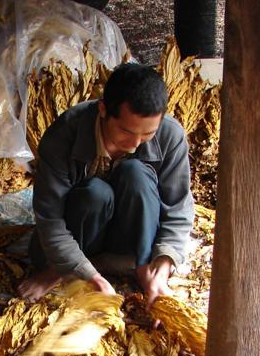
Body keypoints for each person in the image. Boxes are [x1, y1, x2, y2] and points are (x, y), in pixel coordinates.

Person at [18, 62, 194, 311]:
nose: (134, 143)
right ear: (102, 109)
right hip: (82, 233)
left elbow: (178, 209)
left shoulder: (171, 136)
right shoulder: (63, 136)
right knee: (95, 193)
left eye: (147, 135)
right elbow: (51, 220)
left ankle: (144, 270)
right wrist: (92, 278)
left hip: (129, 243)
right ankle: (60, 269)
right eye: (126, 131)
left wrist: (161, 267)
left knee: (136, 173)